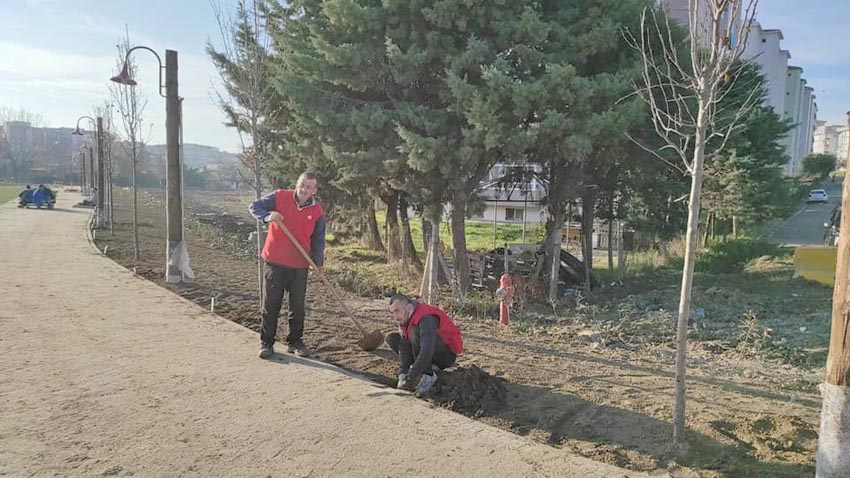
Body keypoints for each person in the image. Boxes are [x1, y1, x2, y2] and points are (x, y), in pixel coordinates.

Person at [249, 172, 325, 359]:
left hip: (300, 264)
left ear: (314, 190)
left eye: (309, 187)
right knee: (271, 303)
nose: (304, 189)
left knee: (297, 306)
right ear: (297, 184)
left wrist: (318, 263)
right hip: (275, 260)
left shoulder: (317, 212)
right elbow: (254, 206)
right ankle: (266, 342)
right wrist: (267, 216)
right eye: (302, 184)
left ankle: (295, 342)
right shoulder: (280, 196)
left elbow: (318, 240)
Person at [385, 293, 463, 397]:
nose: (395, 317)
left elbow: (427, 350)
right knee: (392, 338)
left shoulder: (426, 318)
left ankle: (429, 375)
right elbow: (404, 345)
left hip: (445, 355)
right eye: (392, 313)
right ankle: (419, 367)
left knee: (414, 331)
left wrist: (411, 378)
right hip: (425, 348)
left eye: (397, 311)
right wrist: (403, 373)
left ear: (408, 307)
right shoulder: (405, 317)